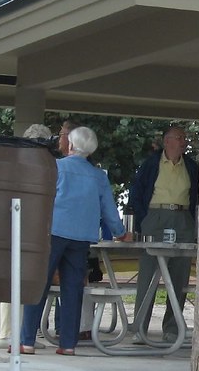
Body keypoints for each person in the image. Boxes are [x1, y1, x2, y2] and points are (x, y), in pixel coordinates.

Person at [20, 127, 129, 354]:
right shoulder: (99, 176)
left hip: (54, 233)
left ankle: (27, 340)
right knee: (73, 290)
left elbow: (42, 199)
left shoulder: (56, 167)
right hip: (82, 238)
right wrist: (120, 232)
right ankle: (68, 344)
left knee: (39, 285)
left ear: (70, 145)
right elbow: (109, 210)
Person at [130, 124, 199, 343]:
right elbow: (137, 193)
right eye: (179, 138)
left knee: (179, 274)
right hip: (156, 216)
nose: (183, 142)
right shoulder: (151, 164)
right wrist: (143, 221)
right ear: (167, 141)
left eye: (184, 138)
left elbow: (197, 194)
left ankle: (172, 328)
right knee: (149, 273)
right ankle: (140, 328)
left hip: (182, 218)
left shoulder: (191, 166)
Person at [0, 122, 55, 350]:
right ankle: (18, 334)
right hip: (31, 228)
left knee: (13, 280)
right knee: (26, 280)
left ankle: (8, 333)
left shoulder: (13, 162)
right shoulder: (43, 165)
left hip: (12, 226)